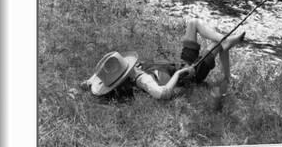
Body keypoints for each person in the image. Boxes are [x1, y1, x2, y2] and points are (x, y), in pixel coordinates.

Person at [80, 18, 246, 101]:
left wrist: (88, 83)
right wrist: (181, 73)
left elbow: (100, 74)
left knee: (193, 23)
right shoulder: (142, 80)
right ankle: (227, 66)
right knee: (217, 44)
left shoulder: (117, 71)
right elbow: (163, 94)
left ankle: (226, 42)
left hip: (180, 62)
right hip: (191, 73)